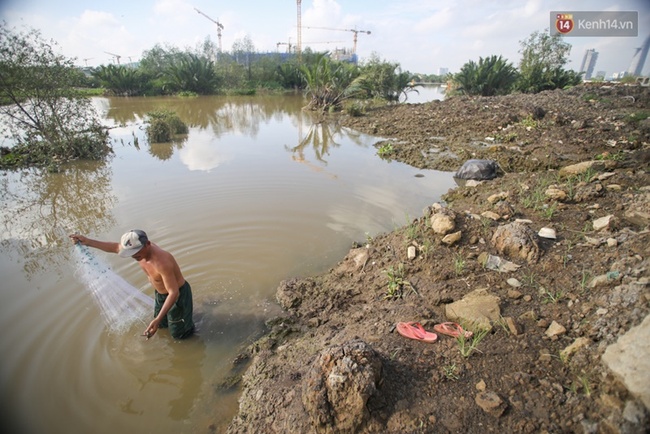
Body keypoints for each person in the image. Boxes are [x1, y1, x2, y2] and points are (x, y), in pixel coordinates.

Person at [69, 230, 195, 340]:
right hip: (161, 295)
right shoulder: (139, 254)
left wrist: (156, 320)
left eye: (136, 252)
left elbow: (174, 292)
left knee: (180, 334)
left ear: (148, 244)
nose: (134, 256)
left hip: (177, 297)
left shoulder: (162, 262)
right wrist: (88, 241)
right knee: (162, 325)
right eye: (130, 253)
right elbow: (116, 248)